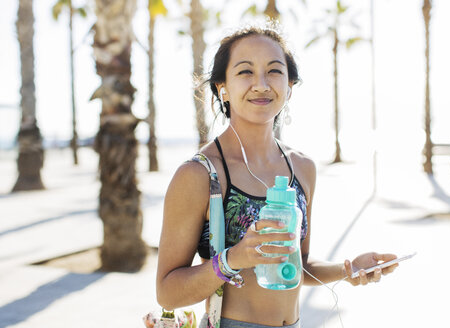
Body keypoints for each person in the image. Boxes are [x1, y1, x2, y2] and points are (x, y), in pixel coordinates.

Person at [156, 25, 398, 328]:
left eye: (274, 71)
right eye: (245, 72)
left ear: (290, 86)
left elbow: (298, 264)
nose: (261, 84)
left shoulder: (302, 168)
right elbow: (167, 292)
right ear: (223, 88)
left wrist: (347, 270)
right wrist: (233, 260)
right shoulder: (199, 174)